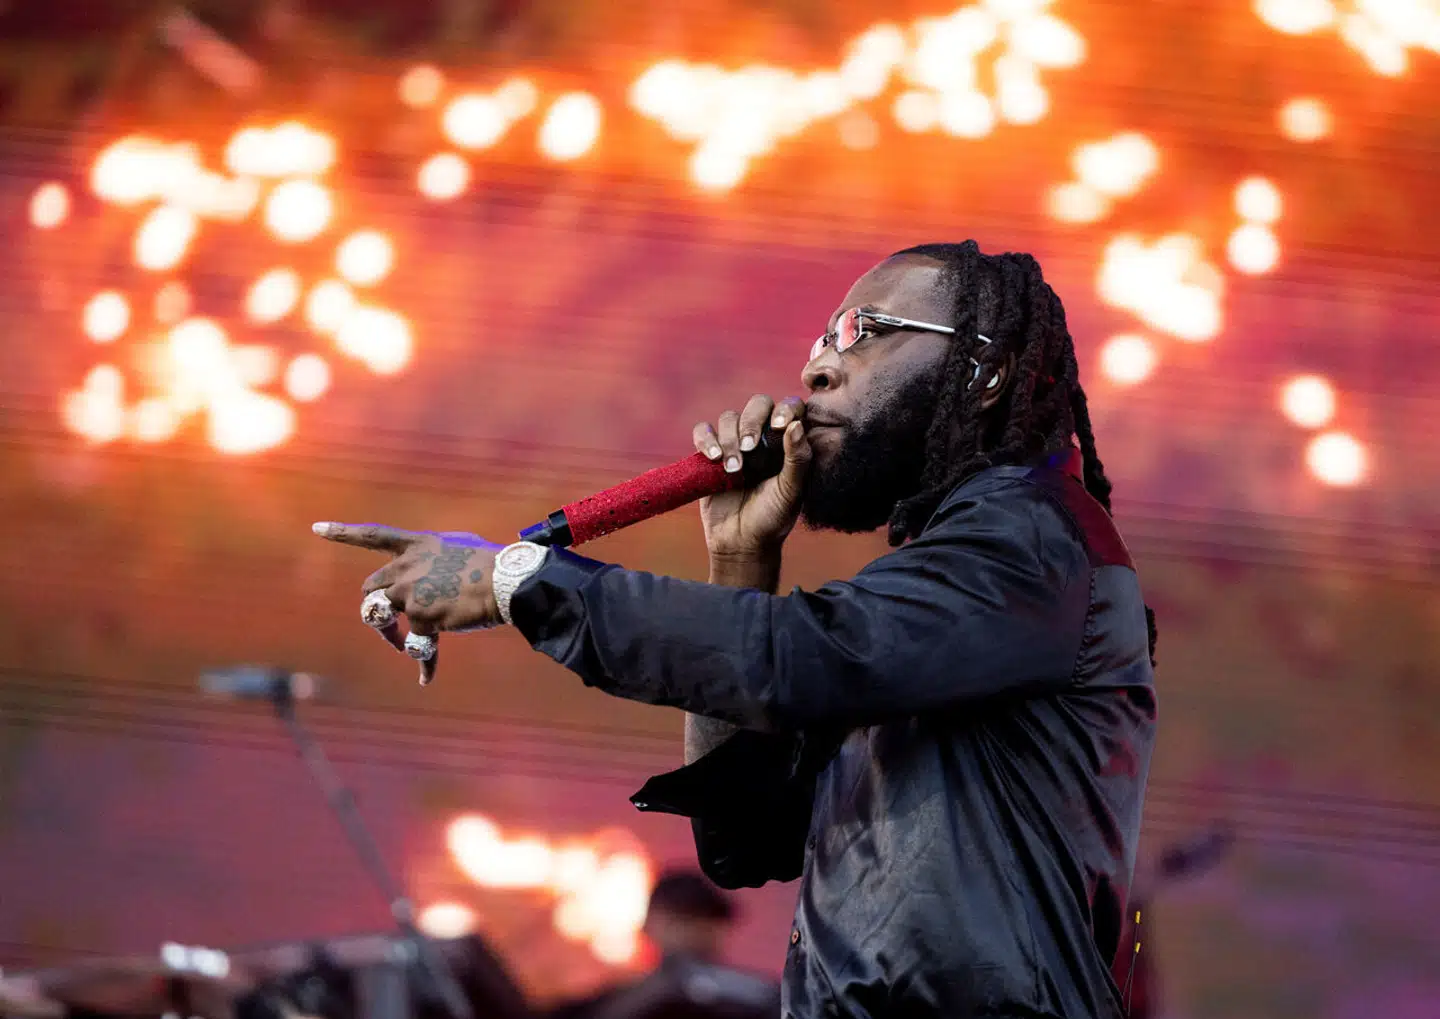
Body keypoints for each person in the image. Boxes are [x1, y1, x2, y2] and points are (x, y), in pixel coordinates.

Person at [315, 240, 1159, 1018]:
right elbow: (743, 842)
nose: (817, 366)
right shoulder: (940, 589)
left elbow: (800, 655)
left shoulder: (1030, 540)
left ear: (986, 374)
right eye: (823, 335)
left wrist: (517, 582)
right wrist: (741, 559)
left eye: (864, 332)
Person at [545, 869, 778, 1019]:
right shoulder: (604, 1001)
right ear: (651, 922)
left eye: (704, 922)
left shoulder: (760, 996)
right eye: (682, 920)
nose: (693, 933)